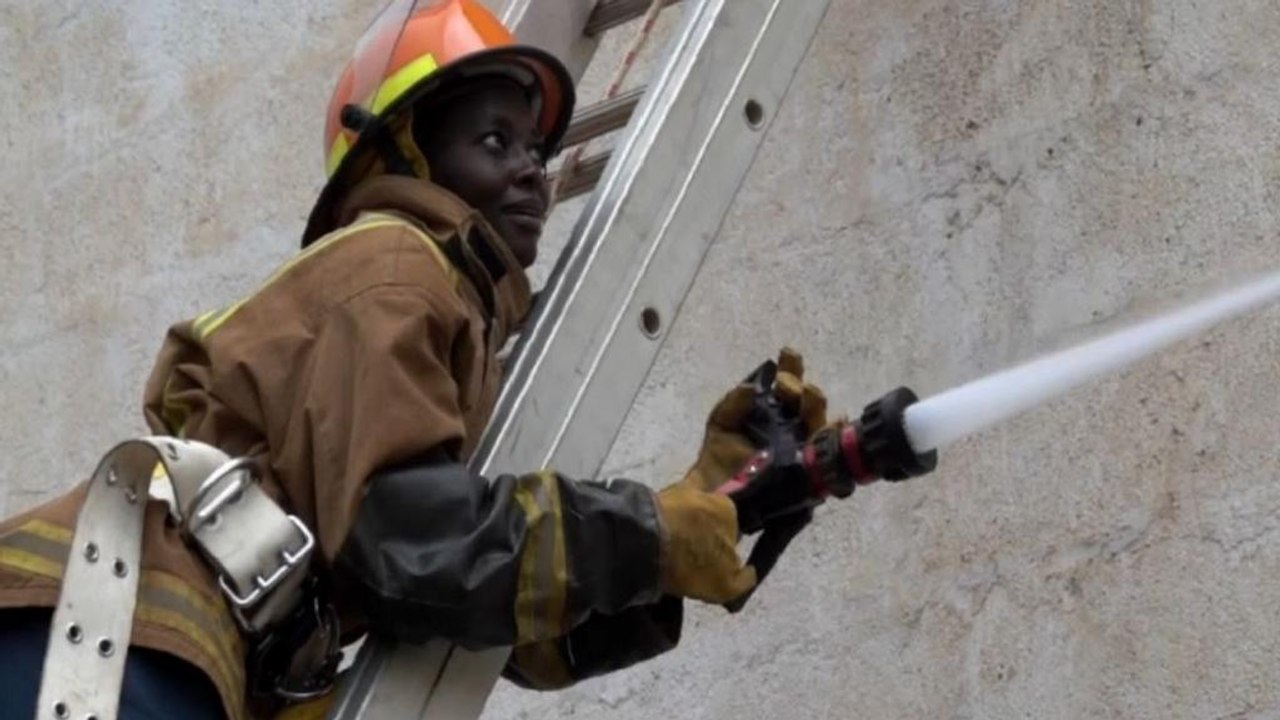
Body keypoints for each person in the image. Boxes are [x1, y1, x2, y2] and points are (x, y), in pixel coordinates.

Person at [0, 2, 829, 718]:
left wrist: (710, 514)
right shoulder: (393, 269)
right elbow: (413, 547)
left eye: (536, 152)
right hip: (107, 640)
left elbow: (465, 614)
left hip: (132, 645)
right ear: (402, 162)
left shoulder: (439, 335)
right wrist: (652, 534)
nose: (532, 175)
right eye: (495, 142)